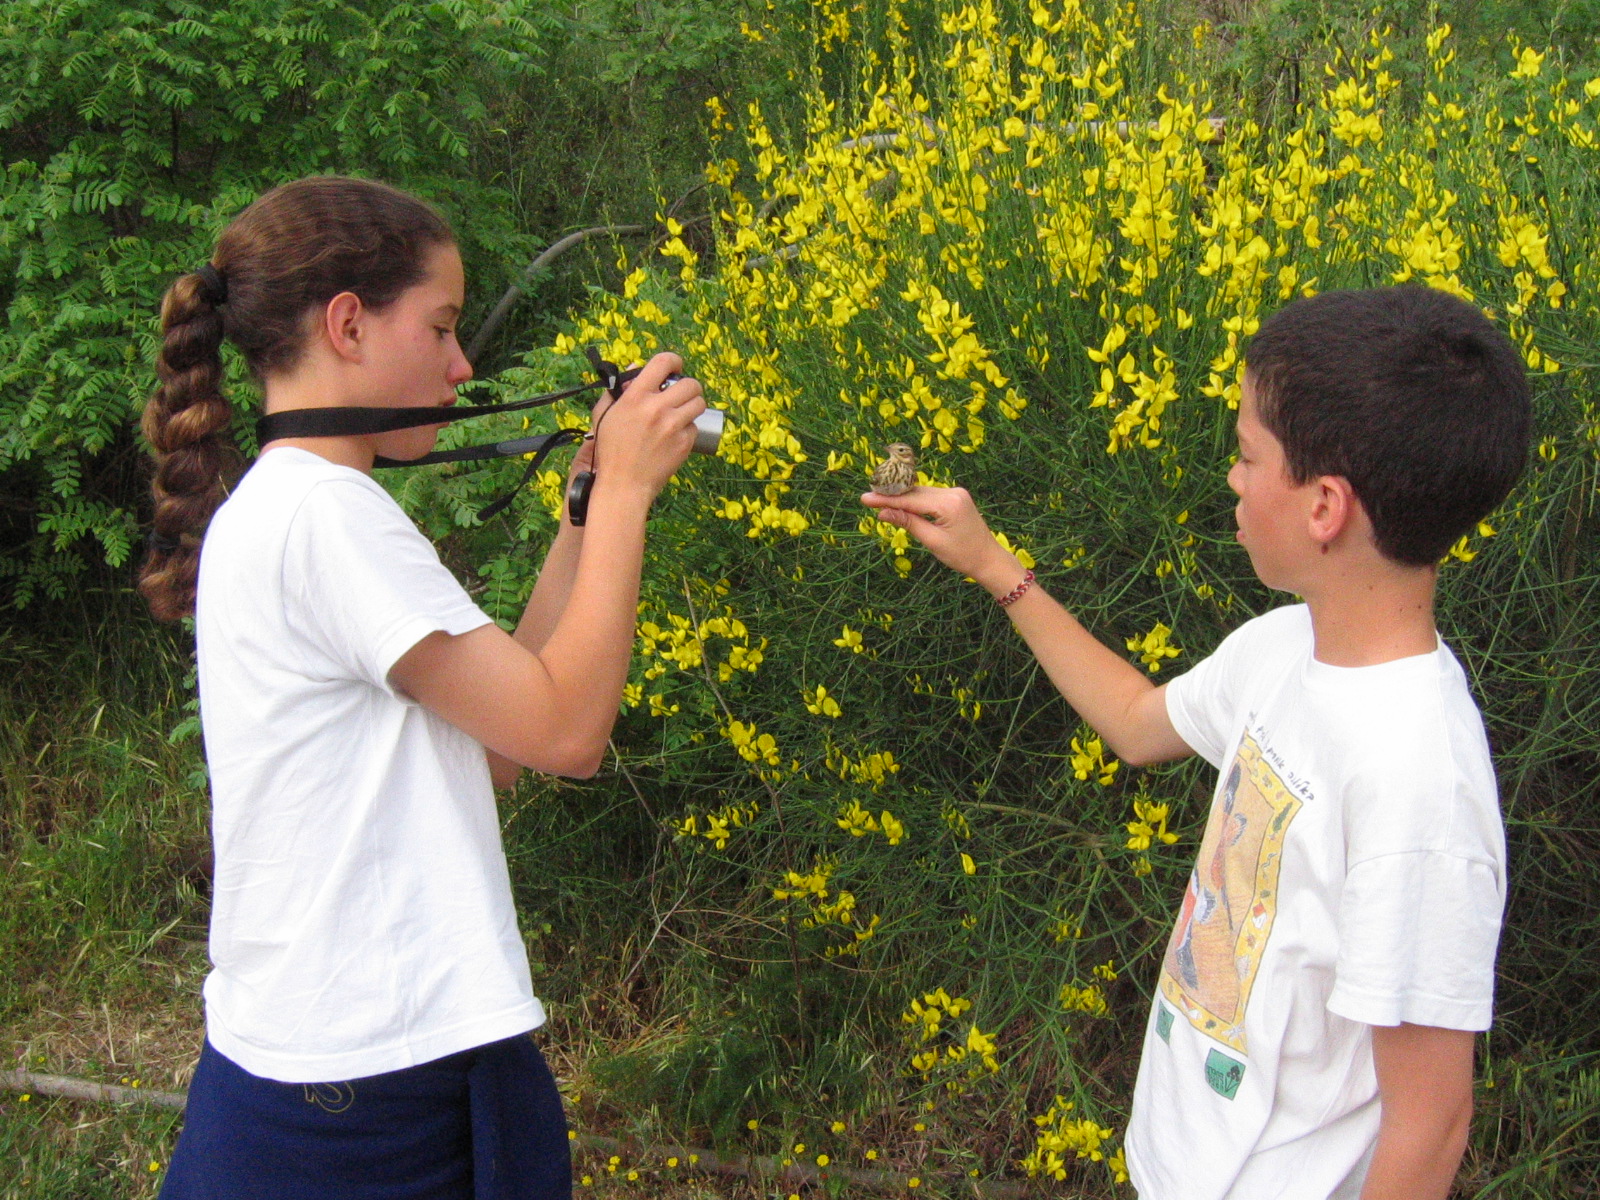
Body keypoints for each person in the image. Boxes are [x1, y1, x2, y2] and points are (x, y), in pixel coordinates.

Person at [862, 285, 1529, 1200]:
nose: (1232, 480)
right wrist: (991, 563)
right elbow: (1137, 725)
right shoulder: (1285, 644)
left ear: (1326, 505)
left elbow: (1430, 1123)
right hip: (1179, 1164)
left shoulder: (1420, 784)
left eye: (1248, 457)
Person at [139, 175, 705, 1198]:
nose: (462, 364)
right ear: (348, 324)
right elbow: (572, 733)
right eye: (441, 327)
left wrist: (584, 505)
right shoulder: (327, 515)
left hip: (328, 1071)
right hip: (362, 1097)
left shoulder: (292, 505)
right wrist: (627, 489)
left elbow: (507, 739)